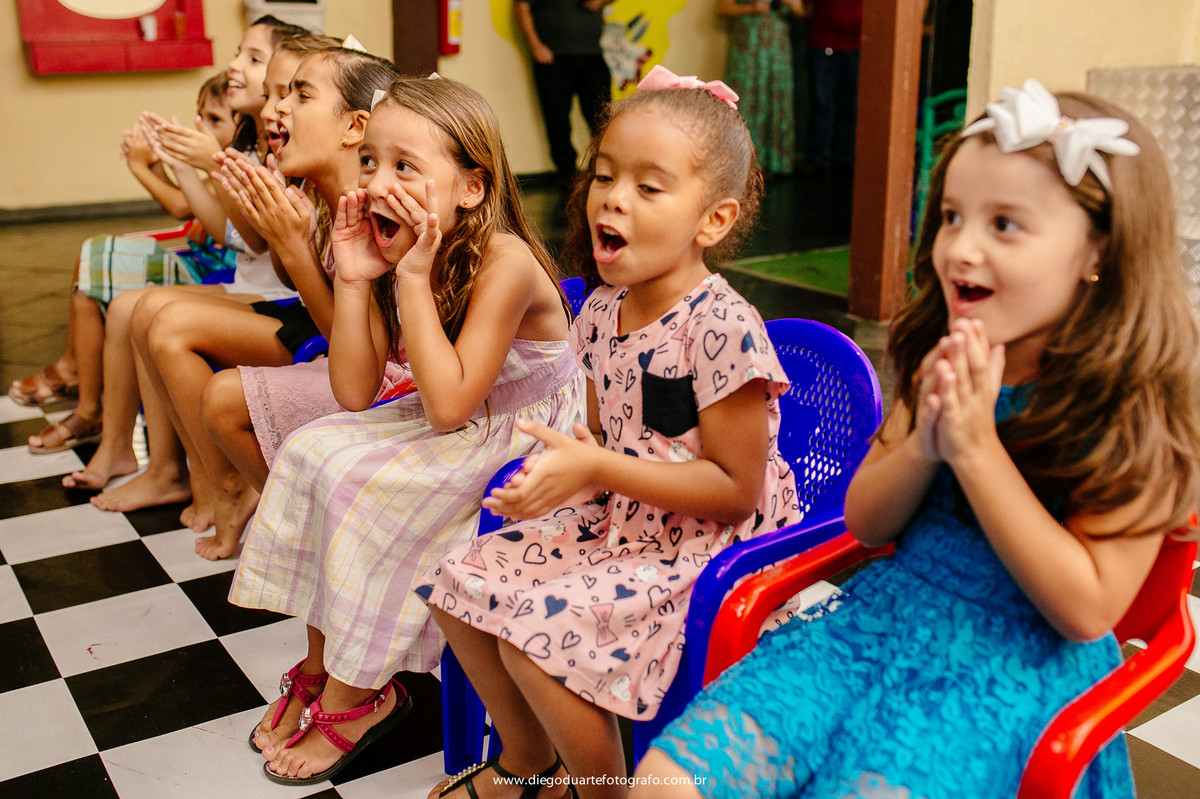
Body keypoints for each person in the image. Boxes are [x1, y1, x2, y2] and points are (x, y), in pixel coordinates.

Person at [633, 80, 1200, 798]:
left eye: (1005, 226)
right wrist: (927, 442)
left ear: (1099, 252)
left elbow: (1088, 608)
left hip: (1018, 664)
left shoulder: (1129, 401)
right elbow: (868, 520)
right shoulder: (942, 350)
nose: (959, 248)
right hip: (882, 622)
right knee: (662, 782)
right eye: (953, 217)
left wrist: (977, 451)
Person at [419, 65, 800, 799]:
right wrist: (560, 476)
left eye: (648, 187)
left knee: (538, 639)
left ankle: (605, 790)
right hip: (622, 522)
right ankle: (533, 765)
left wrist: (595, 470)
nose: (612, 198)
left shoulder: (720, 328)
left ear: (712, 220)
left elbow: (733, 489)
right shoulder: (600, 311)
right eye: (603, 177)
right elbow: (602, 437)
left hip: (707, 549)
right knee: (455, 583)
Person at [227, 75, 584, 785]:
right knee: (312, 450)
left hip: (524, 434)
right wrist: (358, 277)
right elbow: (355, 391)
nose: (378, 181)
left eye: (404, 166)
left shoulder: (505, 261)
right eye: (370, 162)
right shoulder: (400, 248)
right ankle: (329, 665)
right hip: (460, 415)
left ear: (472, 188)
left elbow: (451, 405)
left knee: (363, 486)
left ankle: (358, 696)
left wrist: (412, 276)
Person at [132, 42, 396, 561]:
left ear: (353, 127)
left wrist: (295, 248)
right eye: (278, 94)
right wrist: (283, 233)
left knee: (224, 396)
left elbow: (364, 358)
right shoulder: (321, 192)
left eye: (299, 94)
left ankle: (307, 534)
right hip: (351, 359)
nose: (277, 109)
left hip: (383, 378)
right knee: (198, 367)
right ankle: (298, 527)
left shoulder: (370, 211)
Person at [61, 18, 307, 534]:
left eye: (253, 59)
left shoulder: (283, 149)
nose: (235, 65)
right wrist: (194, 165)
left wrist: (211, 166)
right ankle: (155, 464)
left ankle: (213, 480)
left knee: (150, 312)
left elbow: (256, 243)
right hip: (268, 290)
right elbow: (239, 235)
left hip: (277, 300)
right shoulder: (260, 146)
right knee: (132, 306)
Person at [15, 73, 237, 455]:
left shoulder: (234, 164)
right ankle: (80, 383)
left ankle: (86, 401)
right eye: (198, 116)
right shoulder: (218, 162)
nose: (200, 127)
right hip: (201, 260)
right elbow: (186, 199)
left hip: (214, 272)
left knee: (96, 255)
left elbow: (182, 206)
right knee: (94, 257)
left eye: (215, 120)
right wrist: (155, 161)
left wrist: (141, 165)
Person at [514, 0, 615, 192]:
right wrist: (535, 45)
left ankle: (605, 173)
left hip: (592, 54)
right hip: (553, 58)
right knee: (557, 122)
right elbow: (521, 7)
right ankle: (568, 182)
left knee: (603, 120)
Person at [717, 0, 804, 176]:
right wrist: (752, 8)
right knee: (747, 99)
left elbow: (802, 12)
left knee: (776, 98)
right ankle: (745, 163)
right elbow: (723, 8)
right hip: (749, 40)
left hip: (777, 41)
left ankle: (776, 162)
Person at [800, 0, 861, 174]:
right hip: (823, 41)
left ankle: (843, 156)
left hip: (854, 44)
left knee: (849, 104)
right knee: (821, 103)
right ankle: (816, 156)